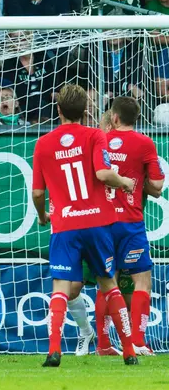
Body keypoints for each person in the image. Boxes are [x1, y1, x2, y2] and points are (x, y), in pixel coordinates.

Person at [31, 84, 138, 367]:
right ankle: (129, 351)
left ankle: (54, 350)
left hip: (65, 224)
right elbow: (103, 173)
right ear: (85, 110)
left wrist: (43, 216)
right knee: (109, 284)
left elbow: (38, 194)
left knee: (60, 288)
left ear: (58, 110)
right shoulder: (94, 135)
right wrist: (125, 181)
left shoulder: (43, 143)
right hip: (97, 222)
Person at [68, 98, 164, 357]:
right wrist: (138, 180)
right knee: (142, 280)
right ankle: (138, 341)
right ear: (137, 117)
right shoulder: (145, 143)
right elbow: (157, 188)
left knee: (107, 284)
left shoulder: (97, 140)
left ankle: (103, 344)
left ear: (115, 118)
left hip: (102, 222)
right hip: (131, 223)